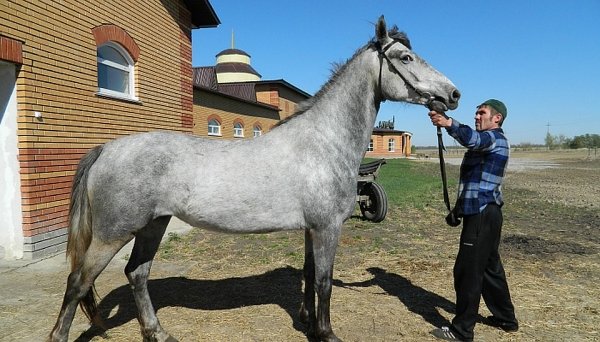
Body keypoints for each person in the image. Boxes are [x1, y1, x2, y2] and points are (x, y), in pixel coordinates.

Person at [428, 99, 519, 341]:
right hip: (484, 213)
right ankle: (506, 319)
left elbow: (472, 139)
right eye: (476, 113)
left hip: (482, 214)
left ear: (496, 118)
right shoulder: (487, 144)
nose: (477, 116)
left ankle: (462, 330)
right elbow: (474, 183)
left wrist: (447, 123)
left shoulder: (494, 138)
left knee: (468, 271)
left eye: (482, 113)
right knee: (490, 269)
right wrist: (457, 210)